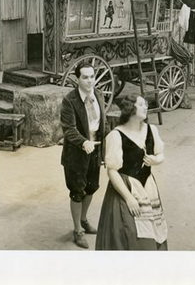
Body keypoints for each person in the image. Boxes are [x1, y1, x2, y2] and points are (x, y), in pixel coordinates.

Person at [95, 93, 168, 250]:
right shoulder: (116, 135)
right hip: (125, 188)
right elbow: (112, 171)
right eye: (141, 104)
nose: (146, 107)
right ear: (130, 109)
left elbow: (160, 153)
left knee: (153, 230)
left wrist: (156, 160)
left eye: (145, 104)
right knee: (128, 233)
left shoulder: (151, 130)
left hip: (148, 186)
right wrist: (128, 198)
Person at [60, 61, 109, 249]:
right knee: (77, 191)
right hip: (77, 153)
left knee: (92, 187)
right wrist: (84, 142)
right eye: (85, 77)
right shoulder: (69, 100)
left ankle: (83, 220)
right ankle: (77, 230)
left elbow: (102, 122)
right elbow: (69, 129)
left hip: (95, 150)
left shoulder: (98, 94)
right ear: (77, 78)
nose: (90, 81)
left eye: (92, 77)